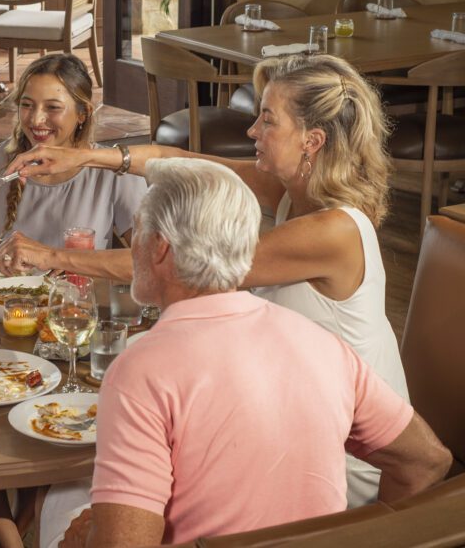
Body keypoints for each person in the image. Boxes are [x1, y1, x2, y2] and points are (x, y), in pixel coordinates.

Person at [0, 53, 408, 507]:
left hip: (336, 453)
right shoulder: (290, 189)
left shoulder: (333, 231)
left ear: (312, 140)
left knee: (94, 486)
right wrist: (85, 156)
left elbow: (180, 266)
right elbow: (183, 162)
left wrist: (46, 254)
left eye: (267, 121)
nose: (252, 132)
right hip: (286, 405)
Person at [55, 158, 449, 547]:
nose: (133, 244)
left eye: (138, 231)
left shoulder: (139, 371)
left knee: (60, 508)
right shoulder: (324, 346)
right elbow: (427, 460)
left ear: (160, 248)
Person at [0, 53, 146, 257]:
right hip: (0, 301)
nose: (35, 120)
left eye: (53, 107)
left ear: (83, 113)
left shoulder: (116, 172)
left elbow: (150, 258)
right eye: (27, 105)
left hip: (73, 304)